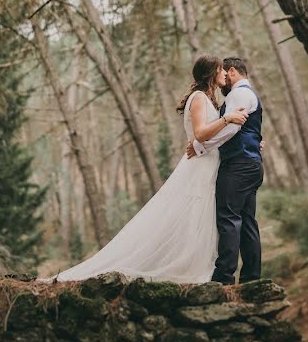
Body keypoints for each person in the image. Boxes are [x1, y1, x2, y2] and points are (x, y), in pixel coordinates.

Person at [45, 54, 247, 283]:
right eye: (221, 69)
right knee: (191, 214)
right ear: (211, 73)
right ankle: (184, 267)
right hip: (199, 167)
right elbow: (200, 133)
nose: (224, 73)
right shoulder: (199, 97)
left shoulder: (210, 99)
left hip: (209, 164)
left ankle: (199, 265)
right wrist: (227, 119)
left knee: (202, 217)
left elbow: (213, 136)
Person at [188, 57, 263, 285]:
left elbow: (230, 130)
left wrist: (200, 146)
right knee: (247, 221)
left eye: (224, 72)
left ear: (231, 72)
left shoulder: (238, 94)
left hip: (239, 165)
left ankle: (224, 277)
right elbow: (245, 128)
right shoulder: (246, 94)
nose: (223, 77)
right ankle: (251, 277)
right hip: (250, 163)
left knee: (229, 218)